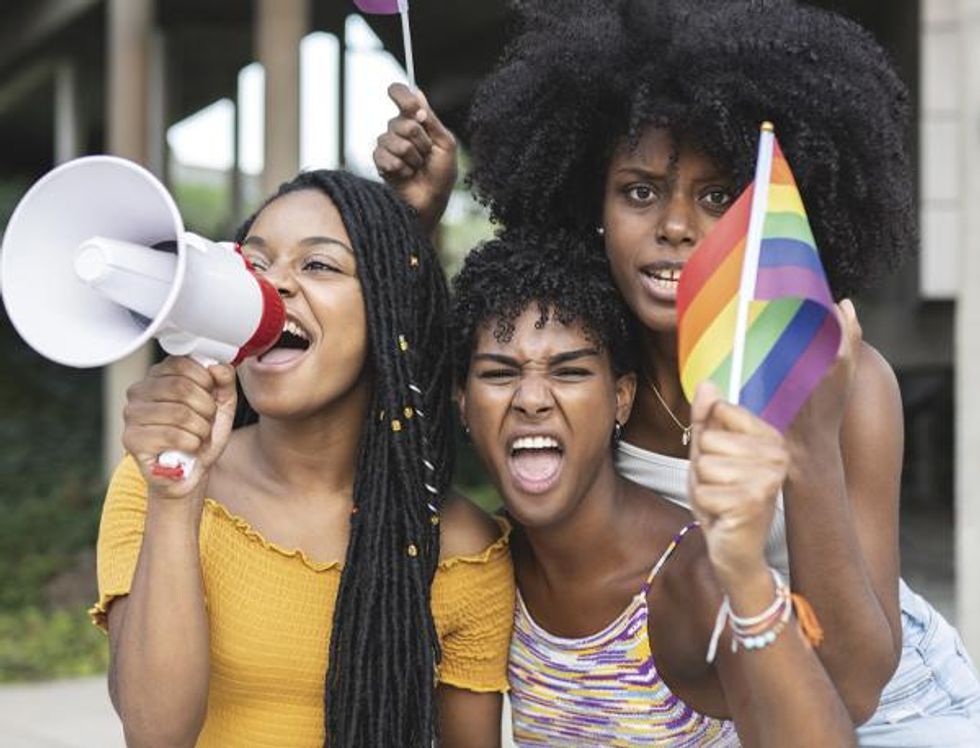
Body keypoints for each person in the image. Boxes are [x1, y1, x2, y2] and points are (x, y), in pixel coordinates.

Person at [374, 1, 980, 744]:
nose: (674, 225)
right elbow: (442, 386)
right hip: (710, 703)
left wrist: (810, 442)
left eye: (718, 195)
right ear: (589, 203)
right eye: (639, 190)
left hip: (889, 708)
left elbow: (854, 689)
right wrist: (418, 223)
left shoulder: (838, 378)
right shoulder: (590, 364)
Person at [89, 170, 513, 748]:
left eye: (319, 265)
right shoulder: (155, 481)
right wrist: (177, 497)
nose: (274, 286)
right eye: (254, 264)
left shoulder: (461, 550)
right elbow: (155, 734)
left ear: (391, 311)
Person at [451, 229, 856, 746]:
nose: (532, 399)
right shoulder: (484, 567)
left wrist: (747, 579)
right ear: (461, 403)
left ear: (621, 399)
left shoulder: (695, 581)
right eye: (499, 374)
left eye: (570, 372)